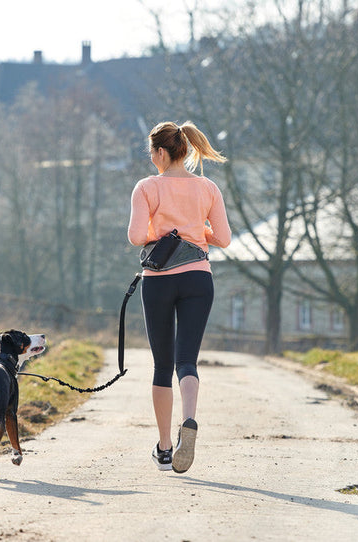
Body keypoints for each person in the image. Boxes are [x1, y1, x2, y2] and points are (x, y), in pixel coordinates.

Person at [127, 121, 232, 473]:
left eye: (151, 153)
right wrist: (194, 229)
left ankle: (165, 448)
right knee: (187, 361)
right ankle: (189, 420)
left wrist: (164, 231)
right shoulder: (208, 187)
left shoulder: (147, 187)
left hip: (159, 280)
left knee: (161, 365)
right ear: (185, 150)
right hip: (199, 279)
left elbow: (135, 236)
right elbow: (224, 238)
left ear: (160, 152)